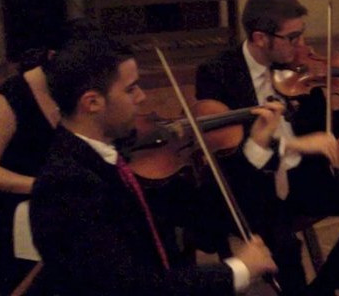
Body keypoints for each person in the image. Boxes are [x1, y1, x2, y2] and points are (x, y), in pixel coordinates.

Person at [29, 37, 278, 295]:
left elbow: (204, 220)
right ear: (92, 102)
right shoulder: (66, 186)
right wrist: (238, 270)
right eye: (131, 89)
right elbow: (129, 287)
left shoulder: (120, 155)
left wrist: (256, 145)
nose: (142, 97)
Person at [195, 0, 339, 296]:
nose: (302, 46)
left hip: (303, 177)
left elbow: (325, 130)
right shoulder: (217, 74)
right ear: (260, 38)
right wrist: (293, 145)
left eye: (302, 35)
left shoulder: (302, 70)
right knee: (284, 247)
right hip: (251, 185)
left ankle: (325, 287)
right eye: (292, 38)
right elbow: (233, 153)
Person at [0, 19, 100, 295]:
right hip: (19, 211)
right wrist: (42, 186)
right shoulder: (11, 98)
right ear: (52, 58)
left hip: (71, 203)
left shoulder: (77, 89)